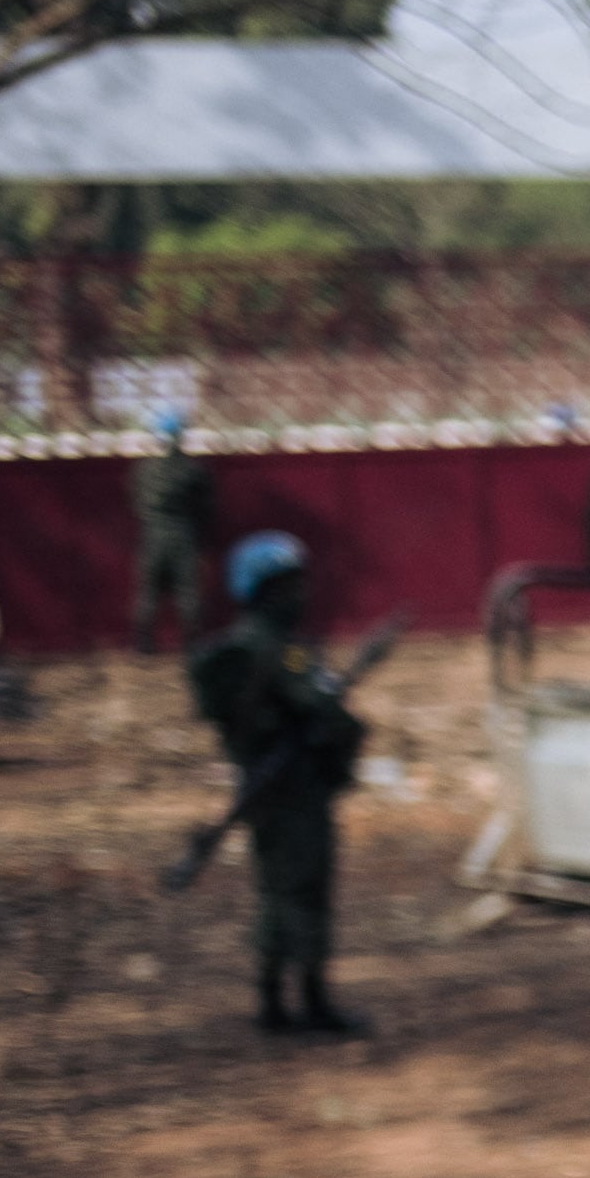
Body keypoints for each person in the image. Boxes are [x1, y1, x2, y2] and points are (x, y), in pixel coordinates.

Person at [185, 531, 369, 1037]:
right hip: (294, 790)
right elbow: (322, 708)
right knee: (303, 892)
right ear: (263, 590)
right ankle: (310, 1003)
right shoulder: (276, 651)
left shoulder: (245, 648)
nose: (300, 595)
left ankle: (274, 1002)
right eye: (289, 585)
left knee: (276, 891)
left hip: (268, 787)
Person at [130, 408, 213, 652]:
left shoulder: (144, 470)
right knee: (188, 589)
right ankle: (193, 643)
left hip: (152, 534)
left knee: (149, 589)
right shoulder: (194, 470)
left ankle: (144, 644)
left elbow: (136, 501)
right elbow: (205, 508)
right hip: (184, 534)